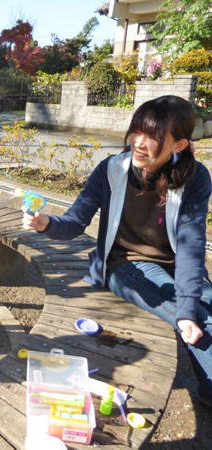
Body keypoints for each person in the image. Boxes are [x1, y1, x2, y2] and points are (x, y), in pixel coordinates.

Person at [23, 95, 212, 403]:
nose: (138, 142)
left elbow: (192, 246)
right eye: (136, 130)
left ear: (179, 145)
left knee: (199, 309)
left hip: (178, 265)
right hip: (124, 266)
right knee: (195, 319)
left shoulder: (194, 176)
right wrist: (46, 223)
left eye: (153, 137)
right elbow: (75, 221)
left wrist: (189, 304)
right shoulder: (112, 169)